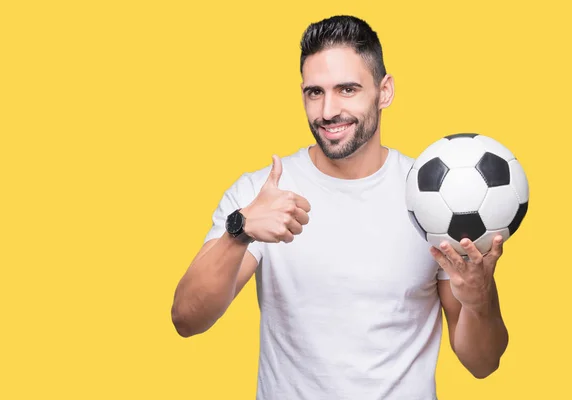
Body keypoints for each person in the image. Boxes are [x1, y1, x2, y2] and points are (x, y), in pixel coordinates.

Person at [171, 15, 509, 400]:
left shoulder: (434, 200)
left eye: (347, 89)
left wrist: (480, 298)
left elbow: (482, 364)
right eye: (315, 92)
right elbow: (186, 319)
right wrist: (241, 230)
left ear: (385, 91)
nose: (328, 111)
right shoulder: (263, 193)